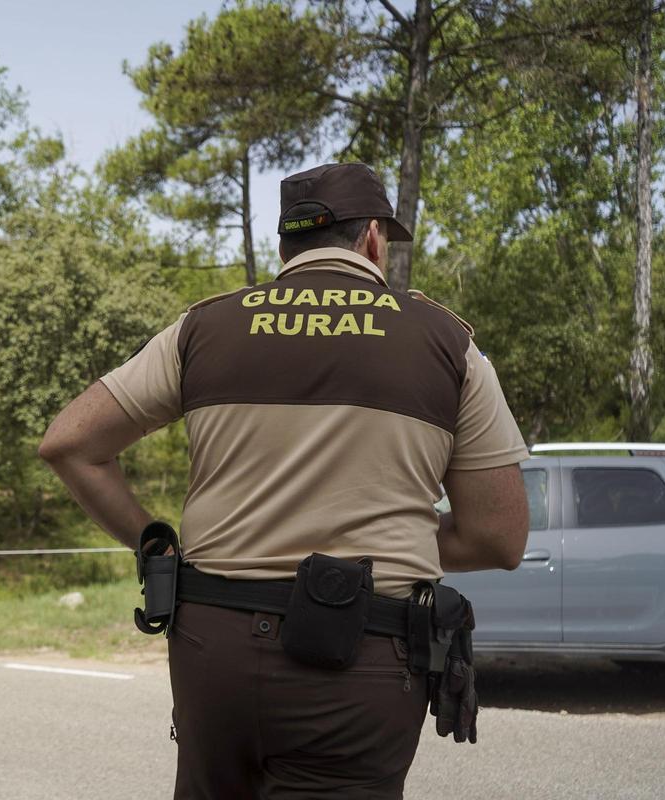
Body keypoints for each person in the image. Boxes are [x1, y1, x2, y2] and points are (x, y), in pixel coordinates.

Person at [38, 161, 530, 799]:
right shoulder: (444, 341)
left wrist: (155, 545)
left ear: (284, 244)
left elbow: (69, 444)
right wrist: (376, 536)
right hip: (358, 659)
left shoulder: (204, 328)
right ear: (374, 238)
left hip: (210, 649)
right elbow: (500, 537)